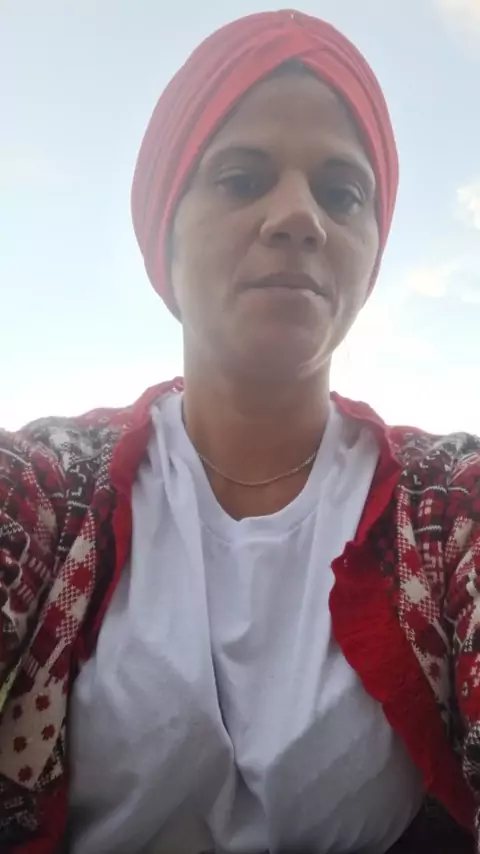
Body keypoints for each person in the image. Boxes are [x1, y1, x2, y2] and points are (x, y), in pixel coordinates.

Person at [0, 8, 479, 854]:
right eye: (240, 178)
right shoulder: (50, 487)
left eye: (342, 193)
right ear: (164, 229)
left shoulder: (448, 509)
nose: (299, 217)